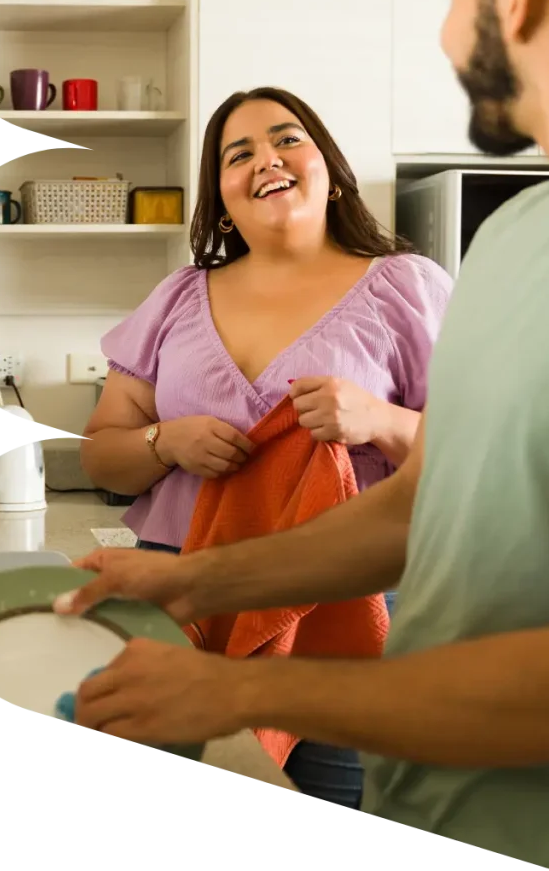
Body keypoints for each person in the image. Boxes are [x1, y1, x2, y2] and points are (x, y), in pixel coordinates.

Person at [57, 0, 549, 871]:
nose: (443, 33)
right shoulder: (518, 237)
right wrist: (193, 581)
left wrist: (238, 689)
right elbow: (421, 503)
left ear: (516, 1)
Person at [77, 85, 453, 807]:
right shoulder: (178, 298)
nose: (266, 160)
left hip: (346, 597)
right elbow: (102, 455)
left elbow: (482, 458)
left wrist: (379, 420)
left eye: (287, 140)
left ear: (330, 169)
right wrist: (164, 441)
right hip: (181, 599)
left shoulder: (408, 287)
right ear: (221, 198)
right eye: (238, 153)